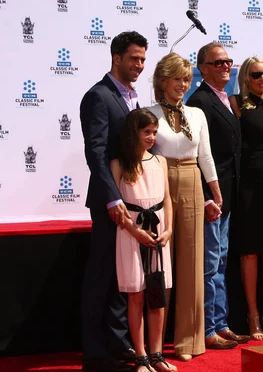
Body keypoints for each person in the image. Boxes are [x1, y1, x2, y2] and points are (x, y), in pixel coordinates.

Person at [80, 31, 148, 372]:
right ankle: (94, 353)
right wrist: (111, 198)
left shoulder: (133, 96)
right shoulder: (98, 96)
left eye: (142, 60)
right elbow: (96, 151)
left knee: (124, 275)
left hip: (135, 200)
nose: (139, 65)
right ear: (116, 57)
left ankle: (120, 345)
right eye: (134, 58)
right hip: (111, 202)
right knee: (102, 275)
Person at [147, 53, 221, 360]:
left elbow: (205, 157)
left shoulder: (197, 114)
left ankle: (188, 341)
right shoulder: (147, 112)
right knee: (160, 264)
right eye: (177, 78)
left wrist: (215, 194)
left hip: (192, 180)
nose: (183, 84)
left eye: (186, 79)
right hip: (159, 182)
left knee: (192, 263)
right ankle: (154, 341)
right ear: (163, 81)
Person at [186, 42, 250, 349]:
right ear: (203, 68)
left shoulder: (226, 99)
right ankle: (208, 327)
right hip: (212, 199)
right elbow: (199, 155)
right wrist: (208, 198)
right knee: (211, 263)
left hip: (227, 195)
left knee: (221, 262)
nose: (226, 67)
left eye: (228, 62)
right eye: (219, 63)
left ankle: (221, 323)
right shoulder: (199, 101)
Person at [110, 109, 177, 372]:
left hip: (159, 234)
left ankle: (157, 353)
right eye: (146, 132)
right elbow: (115, 207)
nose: (152, 137)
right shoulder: (118, 164)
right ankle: (141, 357)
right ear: (133, 133)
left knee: (157, 293)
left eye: (154, 132)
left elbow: (167, 200)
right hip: (130, 233)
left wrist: (169, 229)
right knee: (136, 295)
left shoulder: (160, 161)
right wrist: (135, 231)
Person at [229, 57, 263, 341]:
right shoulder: (235, 103)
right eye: (257, 74)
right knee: (249, 251)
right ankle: (252, 315)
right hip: (247, 184)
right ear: (246, 78)